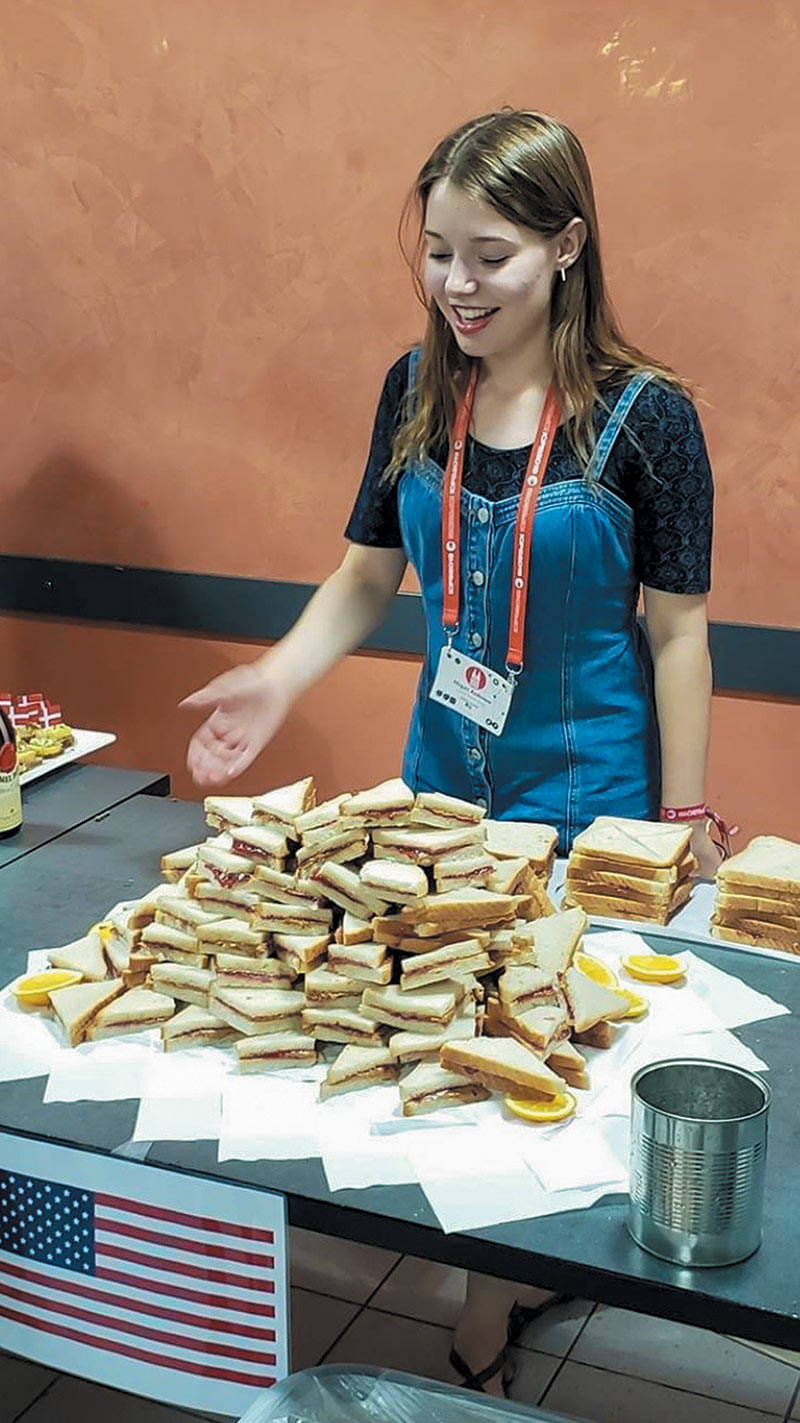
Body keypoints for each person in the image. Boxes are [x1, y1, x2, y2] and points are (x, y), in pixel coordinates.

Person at [183, 110, 718, 1395]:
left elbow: (680, 634)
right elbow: (368, 577)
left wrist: (686, 817)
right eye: (436, 254)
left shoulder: (649, 417)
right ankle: (494, 1266)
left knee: (547, 1041)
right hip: (438, 790)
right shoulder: (415, 389)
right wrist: (273, 675)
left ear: (567, 244)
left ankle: (491, 1303)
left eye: (490, 255)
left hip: (591, 801)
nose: (457, 287)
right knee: (445, 1037)